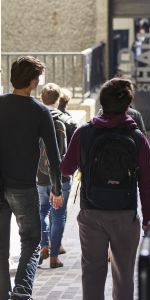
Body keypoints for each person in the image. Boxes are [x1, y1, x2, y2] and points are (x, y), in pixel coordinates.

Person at [60, 78, 150, 300]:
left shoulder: (84, 132)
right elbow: (147, 183)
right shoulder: (137, 137)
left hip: (91, 212)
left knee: (92, 272)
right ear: (128, 106)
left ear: (102, 102)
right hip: (125, 213)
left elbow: (65, 169)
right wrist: (148, 219)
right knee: (123, 275)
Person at [0, 56, 63, 300]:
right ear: (33, 81)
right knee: (31, 241)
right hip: (24, 187)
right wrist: (57, 189)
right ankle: (22, 293)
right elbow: (54, 157)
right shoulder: (40, 111)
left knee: (1, 248)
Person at [37, 83, 77, 268]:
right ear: (59, 99)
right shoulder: (68, 121)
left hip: (39, 176)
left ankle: (43, 245)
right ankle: (54, 257)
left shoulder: (33, 119)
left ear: (41, 98)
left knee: (42, 211)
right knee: (58, 215)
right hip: (62, 177)